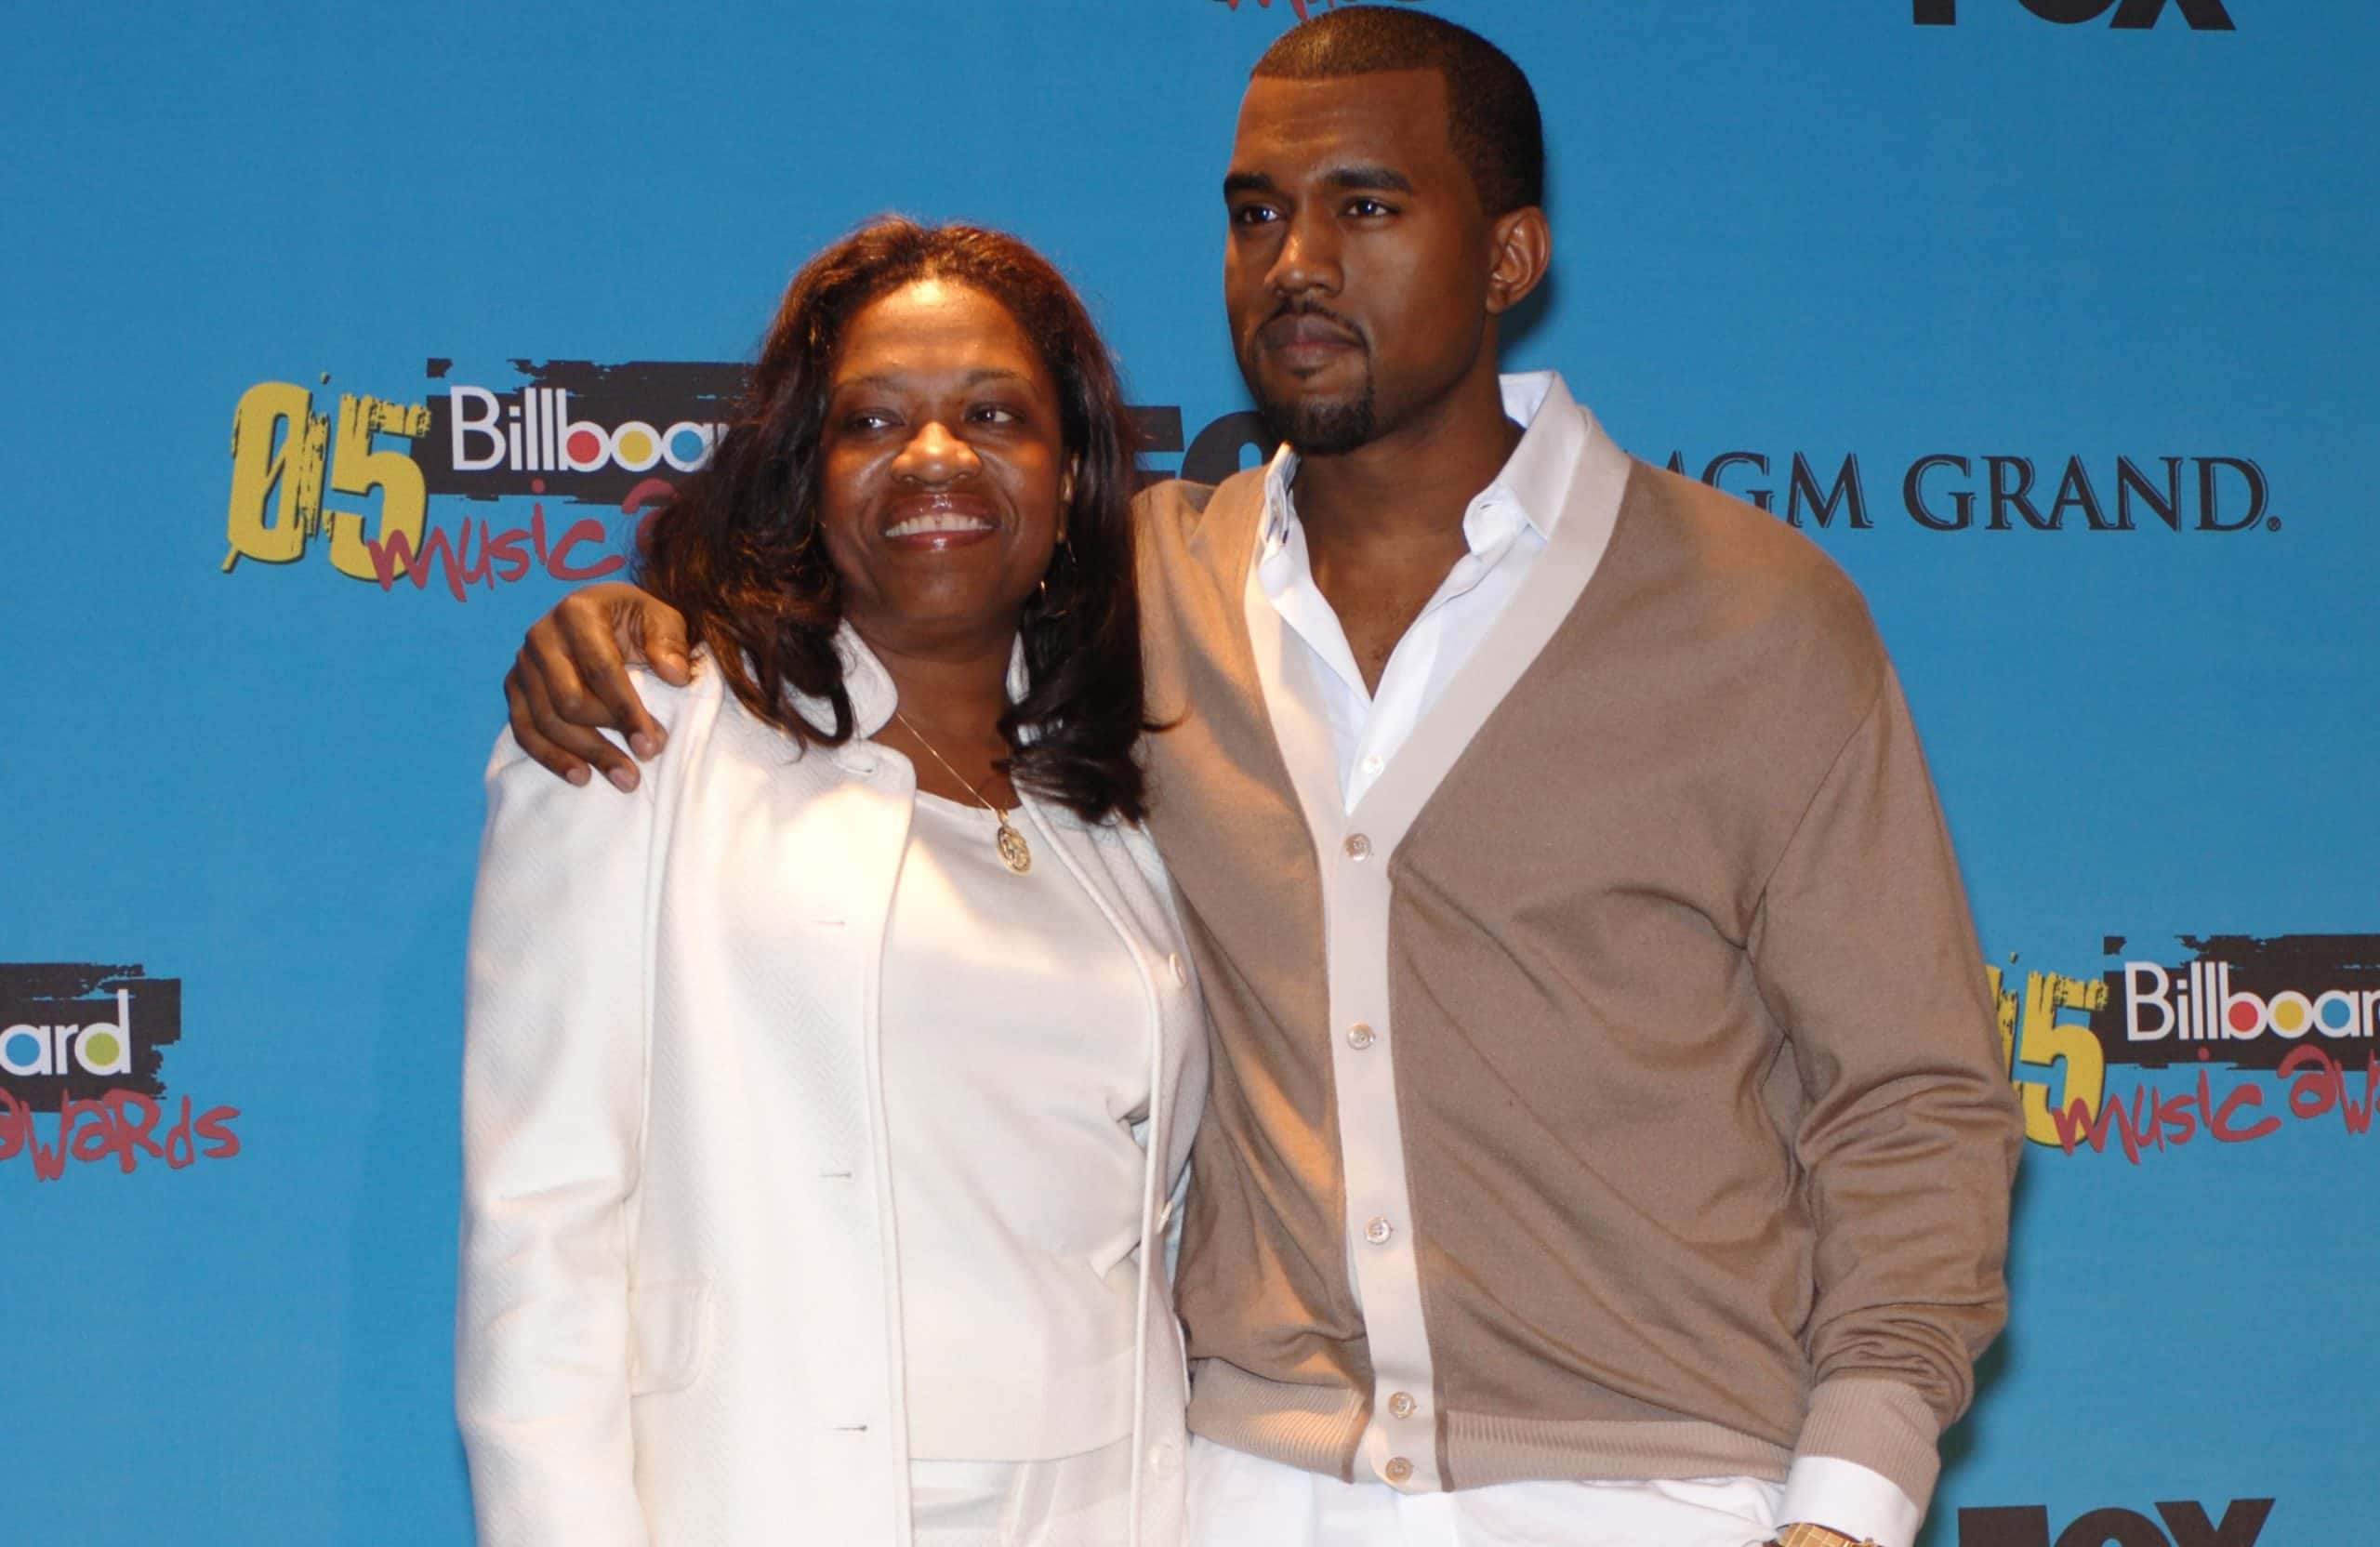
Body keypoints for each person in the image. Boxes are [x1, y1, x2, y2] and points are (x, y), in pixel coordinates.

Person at [501, 13, 2023, 1547]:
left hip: (1663, 1492)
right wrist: (637, 625)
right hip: (1240, 1491)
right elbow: (895, 593)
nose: (1296, 259)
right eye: (1255, 213)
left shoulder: (1751, 613)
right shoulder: (1139, 589)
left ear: (1510, 258)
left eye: (1367, 206)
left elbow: (1915, 1104)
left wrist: (1847, 1506)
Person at [456, 218, 1207, 1547]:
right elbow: (542, 1231)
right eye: (874, 420)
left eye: (994, 413)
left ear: (1072, 465)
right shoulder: (650, 732)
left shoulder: (1130, 798)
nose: (936, 458)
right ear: (807, 473)